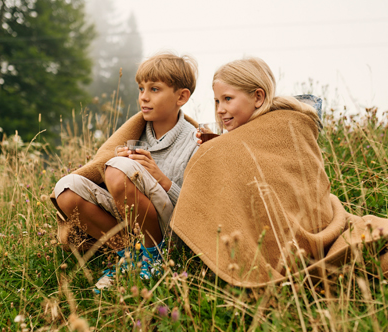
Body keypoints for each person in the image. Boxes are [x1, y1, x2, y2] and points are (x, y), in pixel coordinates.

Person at [171, 57, 388, 288]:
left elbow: (300, 192)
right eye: (216, 101)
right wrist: (219, 149)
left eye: (228, 99)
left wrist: (217, 152)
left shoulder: (288, 126)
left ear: (258, 97)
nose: (220, 109)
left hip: (309, 234)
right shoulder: (235, 141)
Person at [50, 52, 199, 286]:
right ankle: (129, 256)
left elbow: (199, 210)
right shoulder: (134, 136)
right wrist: (114, 170)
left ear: (181, 97)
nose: (144, 98)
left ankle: (156, 258)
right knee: (66, 189)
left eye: (155, 89)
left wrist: (159, 178)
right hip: (130, 223)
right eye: (141, 89)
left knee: (119, 168)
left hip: (173, 231)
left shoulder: (196, 142)